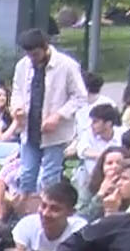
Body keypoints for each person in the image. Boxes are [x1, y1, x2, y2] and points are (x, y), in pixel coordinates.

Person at [10, 30, 89, 204]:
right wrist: (17, 108)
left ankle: (47, 205)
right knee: (27, 172)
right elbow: (17, 91)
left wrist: (58, 116)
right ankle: (23, 208)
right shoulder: (23, 65)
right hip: (29, 128)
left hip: (55, 131)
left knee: (50, 174)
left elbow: (80, 97)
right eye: (29, 54)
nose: (32, 58)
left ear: (45, 48)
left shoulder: (67, 65)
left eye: (35, 54)